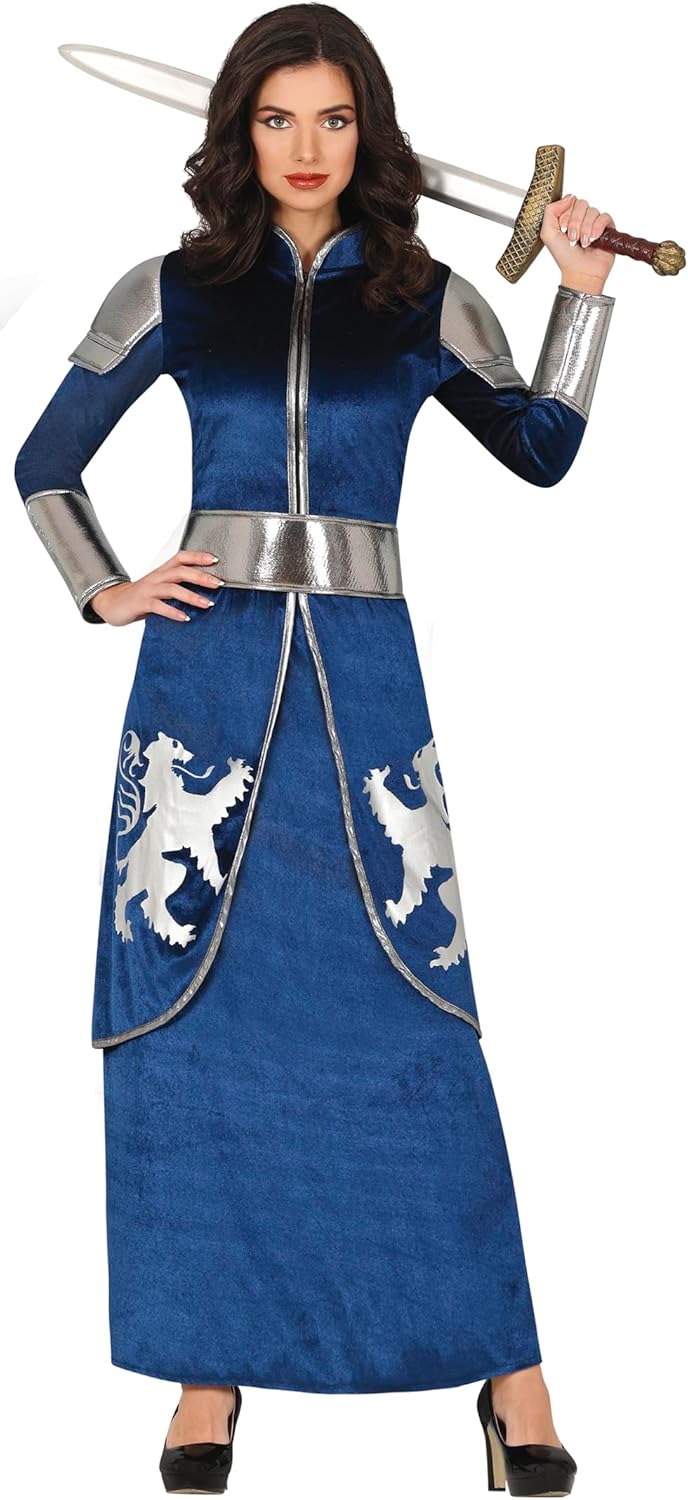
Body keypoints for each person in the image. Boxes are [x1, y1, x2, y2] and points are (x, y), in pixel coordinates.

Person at [14, 5, 616, 1494]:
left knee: (415, 1015)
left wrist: (582, 296)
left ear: (369, 133)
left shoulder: (426, 300)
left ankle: (513, 1375)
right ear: (239, 130)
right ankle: (204, 1371)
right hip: (202, 689)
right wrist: (105, 585)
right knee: (197, 1019)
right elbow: (43, 463)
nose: (304, 147)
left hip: (365, 687)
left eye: (333, 119)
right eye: (277, 118)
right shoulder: (172, 290)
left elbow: (540, 449)